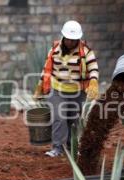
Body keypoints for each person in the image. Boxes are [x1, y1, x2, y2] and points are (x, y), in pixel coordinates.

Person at [33, 20, 99, 157]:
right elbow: (47, 69)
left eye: (74, 40)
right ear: (64, 37)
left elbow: (93, 68)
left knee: (72, 120)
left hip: (78, 92)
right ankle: (57, 148)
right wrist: (40, 87)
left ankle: (70, 147)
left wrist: (93, 82)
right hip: (57, 90)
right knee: (59, 117)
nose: (71, 42)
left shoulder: (86, 52)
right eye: (69, 39)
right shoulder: (55, 50)